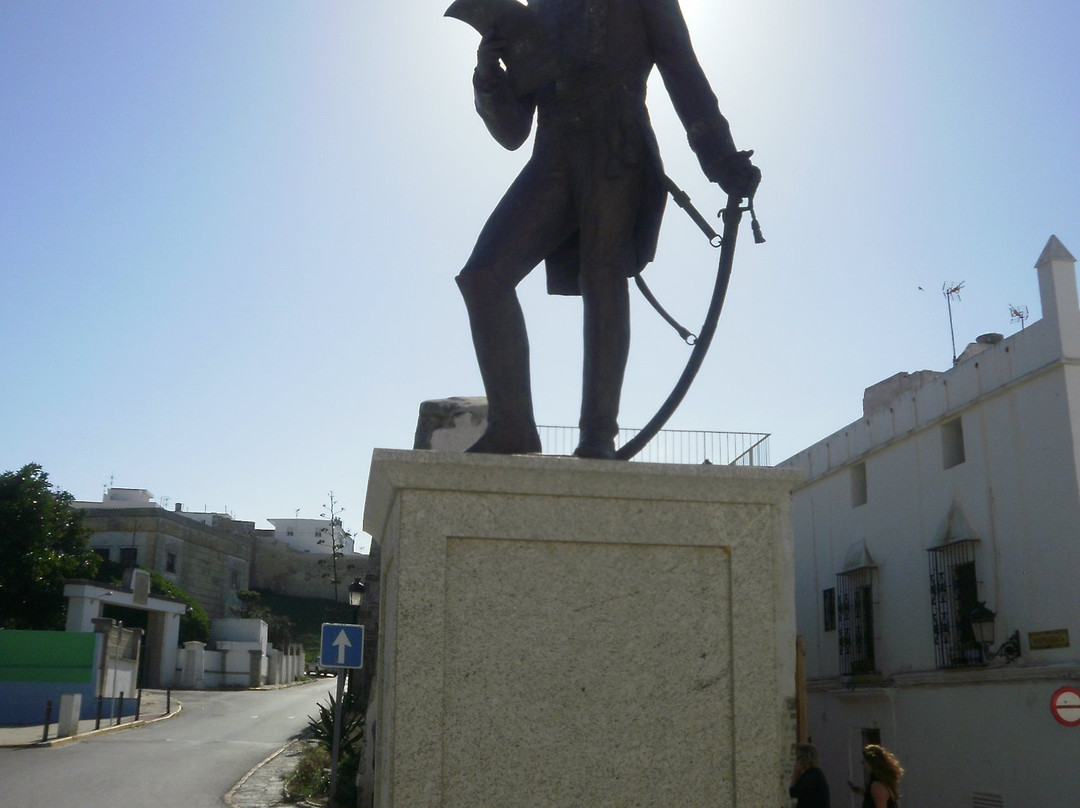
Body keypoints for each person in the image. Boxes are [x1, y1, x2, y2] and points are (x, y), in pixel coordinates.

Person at [453, 0, 760, 459]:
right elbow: (513, 131)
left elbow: (683, 72)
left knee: (603, 273)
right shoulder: (540, 7)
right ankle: (513, 426)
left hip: (616, 142)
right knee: (483, 276)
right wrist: (488, 74)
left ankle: (597, 434)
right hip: (553, 151)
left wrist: (720, 159)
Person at [849, 743, 904, 808]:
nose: (864, 764)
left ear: (870, 763)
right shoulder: (884, 782)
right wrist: (864, 793)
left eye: (864, 761)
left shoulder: (877, 785)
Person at [789, 743, 831, 808]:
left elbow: (794, 792)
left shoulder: (811, 775)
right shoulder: (813, 773)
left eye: (798, 758)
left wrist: (796, 772)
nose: (796, 761)